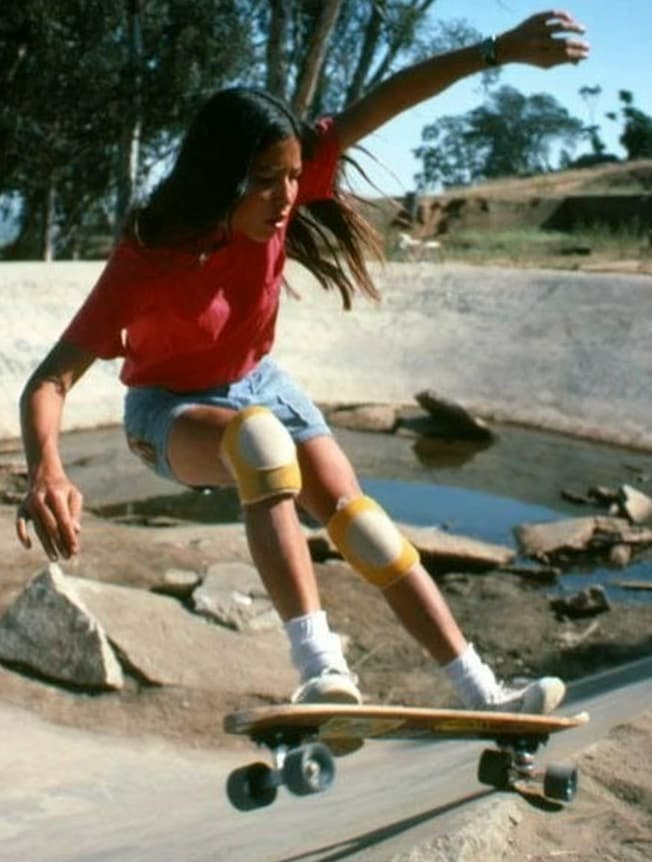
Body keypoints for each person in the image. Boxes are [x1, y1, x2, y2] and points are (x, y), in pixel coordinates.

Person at [16, 11, 589, 711]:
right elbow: (50, 379)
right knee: (258, 444)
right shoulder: (150, 257)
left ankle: (482, 690)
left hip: (263, 384)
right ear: (220, 177)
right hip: (168, 412)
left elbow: (383, 103)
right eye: (265, 180)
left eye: (293, 176)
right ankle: (321, 668)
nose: (287, 196)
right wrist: (47, 466)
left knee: (361, 523)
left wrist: (495, 51)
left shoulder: (285, 199)